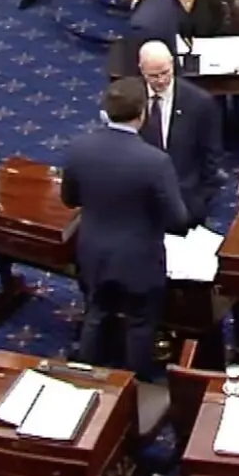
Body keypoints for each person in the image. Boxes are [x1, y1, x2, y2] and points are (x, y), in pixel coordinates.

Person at [60, 78, 189, 375]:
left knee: (96, 314)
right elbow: (178, 220)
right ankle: (136, 386)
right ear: (142, 113)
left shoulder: (80, 147)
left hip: (93, 254)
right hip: (139, 261)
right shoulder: (155, 162)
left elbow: (70, 199)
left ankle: (85, 377)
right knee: (140, 324)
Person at [135, 41, 224, 224]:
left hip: (186, 199)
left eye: (165, 73)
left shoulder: (200, 102)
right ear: (141, 70)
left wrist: (201, 200)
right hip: (141, 201)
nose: (160, 80)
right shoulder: (131, 98)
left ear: (172, 63)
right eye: (153, 75)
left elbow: (211, 154)